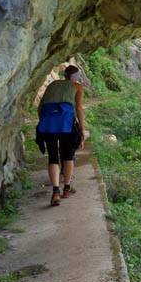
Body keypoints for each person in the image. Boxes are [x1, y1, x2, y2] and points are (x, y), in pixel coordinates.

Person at [37, 65, 86, 206]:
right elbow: (78, 108)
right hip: (66, 123)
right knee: (68, 155)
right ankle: (67, 188)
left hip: (48, 123)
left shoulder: (53, 84)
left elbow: (40, 107)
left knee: (53, 157)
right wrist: (82, 129)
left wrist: (45, 122)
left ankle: (55, 191)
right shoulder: (77, 87)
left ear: (65, 75)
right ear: (75, 77)